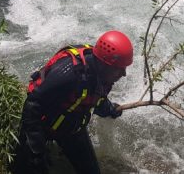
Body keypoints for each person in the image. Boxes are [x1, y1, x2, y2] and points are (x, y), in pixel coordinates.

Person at [11, 30, 133, 174]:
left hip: (72, 129)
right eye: (119, 69)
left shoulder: (102, 75)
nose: (124, 74)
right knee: (26, 168)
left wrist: (110, 109)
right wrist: (36, 151)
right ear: (104, 64)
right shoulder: (68, 74)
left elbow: (95, 97)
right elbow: (32, 105)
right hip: (43, 126)